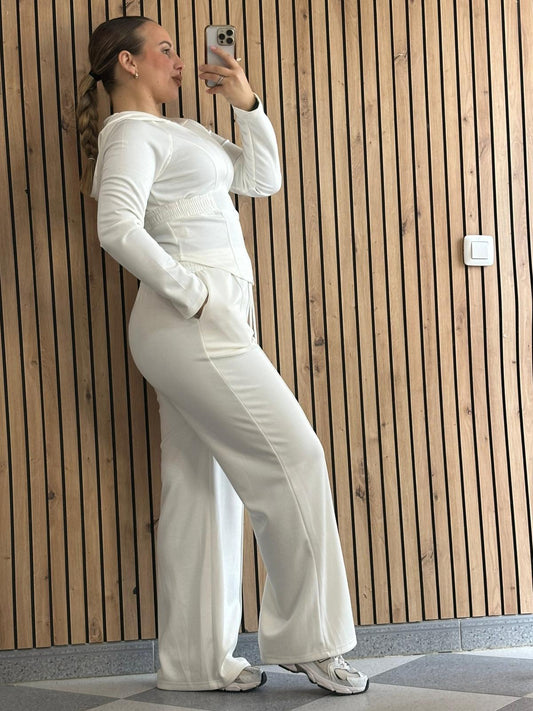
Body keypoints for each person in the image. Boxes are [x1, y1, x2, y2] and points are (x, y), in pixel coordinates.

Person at [77, 15, 369, 695]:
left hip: (203, 320)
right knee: (297, 457)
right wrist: (196, 295)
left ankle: (195, 663)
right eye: (166, 49)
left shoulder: (182, 131)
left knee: (200, 487)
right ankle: (312, 641)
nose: (180, 60)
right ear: (128, 62)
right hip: (192, 320)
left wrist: (248, 104)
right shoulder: (131, 133)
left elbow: (262, 179)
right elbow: (115, 226)